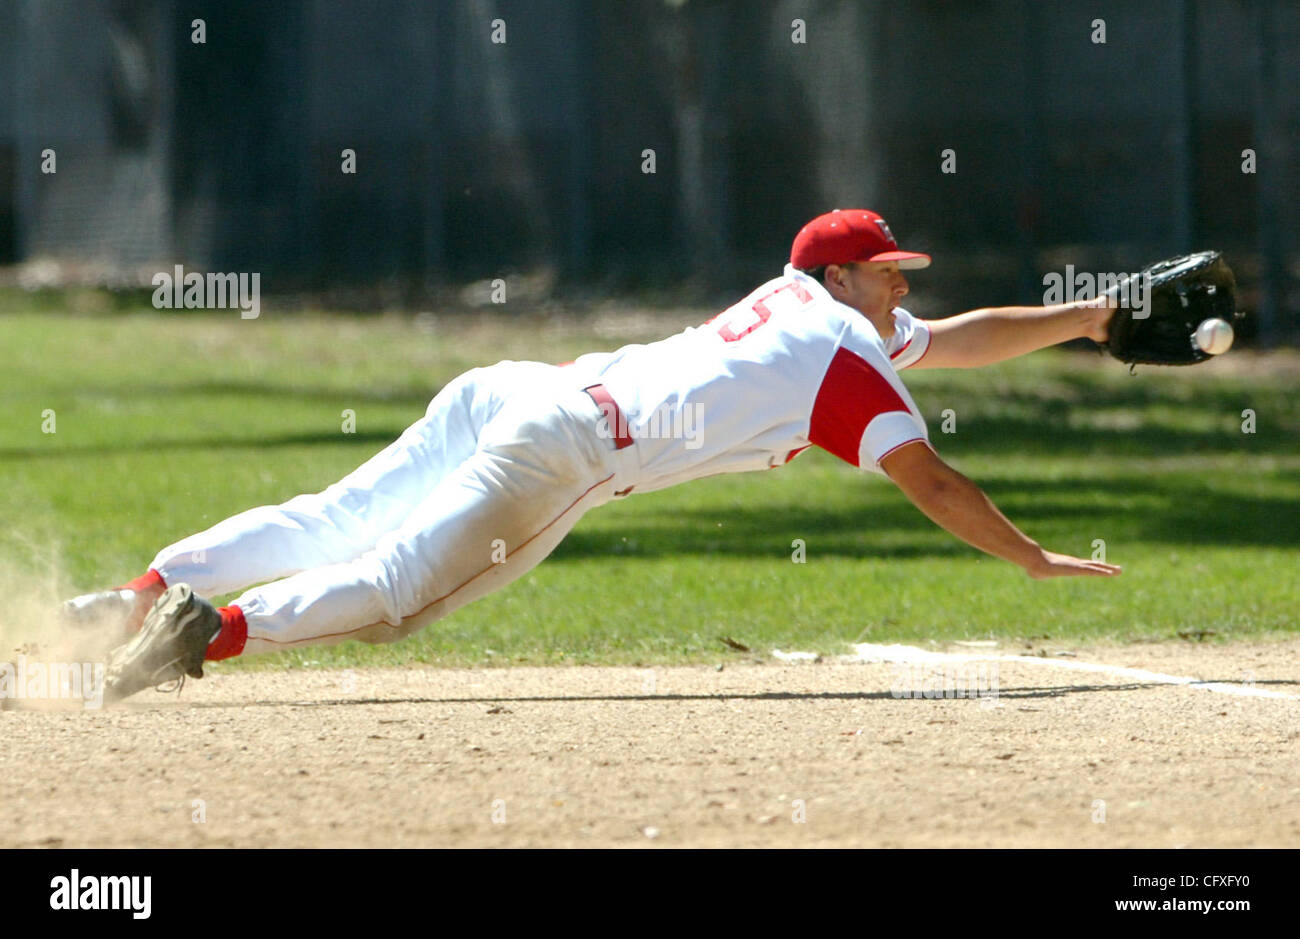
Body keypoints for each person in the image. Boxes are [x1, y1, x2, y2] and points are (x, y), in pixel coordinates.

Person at [65, 209, 1122, 702]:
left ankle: (136, 595)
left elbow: (954, 339)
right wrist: (1028, 557)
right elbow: (929, 477)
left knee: (331, 517)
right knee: (393, 594)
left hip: (514, 389)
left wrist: (1085, 320)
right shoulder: (842, 354)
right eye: (888, 270)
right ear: (842, 281)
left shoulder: (797, 305)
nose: (904, 285)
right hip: (562, 450)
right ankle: (204, 632)